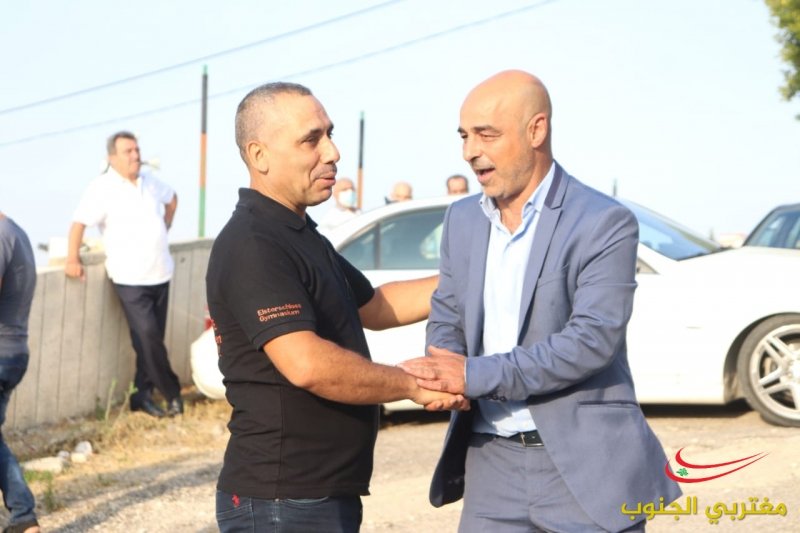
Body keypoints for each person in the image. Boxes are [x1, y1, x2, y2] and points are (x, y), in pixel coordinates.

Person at [399, 70, 680, 532]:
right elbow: (447, 311)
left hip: (584, 468)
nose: (470, 151)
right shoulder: (462, 219)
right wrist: (444, 364)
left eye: (487, 134)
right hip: (490, 465)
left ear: (536, 130)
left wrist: (471, 375)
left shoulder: (604, 221)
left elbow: (591, 341)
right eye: (464, 136)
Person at [206, 82, 465, 533]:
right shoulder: (254, 243)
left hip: (316, 496)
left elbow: (377, 307)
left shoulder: (300, 234)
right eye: (311, 140)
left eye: (329, 134)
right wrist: (412, 384)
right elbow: (307, 364)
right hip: (282, 501)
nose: (332, 152)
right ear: (259, 155)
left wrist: (471, 281)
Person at [65, 131, 183, 419]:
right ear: (112, 158)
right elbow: (78, 224)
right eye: (128, 151)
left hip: (161, 272)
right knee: (148, 337)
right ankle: (173, 393)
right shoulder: (101, 187)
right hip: (129, 278)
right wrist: (72, 258)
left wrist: (165, 226)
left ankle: (141, 397)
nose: (135, 155)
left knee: (149, 342)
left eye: (137, 150)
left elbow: (173, 199)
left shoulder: (150, 182)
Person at [0, 213, 40, 533]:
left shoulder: (1, 235)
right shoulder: (17, 232)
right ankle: (23, 516)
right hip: (14, 350)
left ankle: (24, 514)